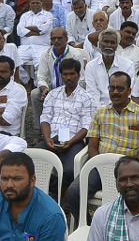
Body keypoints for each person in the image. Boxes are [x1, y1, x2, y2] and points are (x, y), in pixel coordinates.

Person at [64, 72, 139, 221]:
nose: (115, 92)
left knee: (132, 197)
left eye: (120, 88)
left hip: (128, 167)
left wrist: (132, 166)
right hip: (101, 165)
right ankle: (90, 225)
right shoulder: (100, 113)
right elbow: (92, 146)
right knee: (74, 192)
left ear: (129, 90)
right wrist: (99, 165)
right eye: (111, 88)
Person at [36, 57, 95, 193]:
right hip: (52, 138)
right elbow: (45, 118)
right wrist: (46, 138)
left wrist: (71, 141)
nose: (68, 77)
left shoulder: (87, 97)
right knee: (32, 161)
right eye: (65, 74)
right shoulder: (53, 94)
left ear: (79, 75)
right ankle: (50, 191)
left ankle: (60, 193)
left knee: (69, 171)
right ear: (61, 75)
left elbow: (86, 126)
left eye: (72, 74)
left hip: (74, 141)